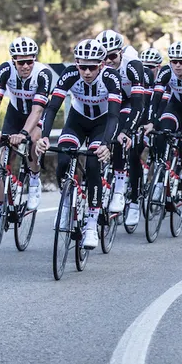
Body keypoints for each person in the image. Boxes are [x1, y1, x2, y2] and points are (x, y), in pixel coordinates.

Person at [40, 39, 121, 250]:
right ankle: (67, 203)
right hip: (77, 122)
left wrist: (106, 144)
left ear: (101, 65)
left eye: (92, 67)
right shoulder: (70, 74)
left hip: (102, 124)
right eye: (82, 66)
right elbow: (51, 108)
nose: (86, 72)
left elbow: (114, 115)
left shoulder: (111, 77)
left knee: (93, 164)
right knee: (64, 160)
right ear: (76, 63)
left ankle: (92, 224)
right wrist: (44, 136)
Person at [0, 36, 52, 233]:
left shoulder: (43, 74)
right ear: (13, 60)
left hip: (36, 114)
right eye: (20, 62)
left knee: (33, 142)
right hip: (15, 114)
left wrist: (24, 133)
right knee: (4, 159)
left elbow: (38, 110)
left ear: (34, 60)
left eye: (29, 61)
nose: (25, 66)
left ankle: (33, 179)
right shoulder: (5, 70)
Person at [141, 41, 182, 219]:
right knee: (162, 132)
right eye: (174, 61)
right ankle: (159, 179)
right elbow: (155, 99)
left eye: (181, 61)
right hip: (177, 107)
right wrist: (151, 122)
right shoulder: (165, 71)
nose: (177, 65)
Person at [97, 29, 144, 215]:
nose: (108, 60)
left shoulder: (132, 65)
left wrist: (128, 131)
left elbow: (138, 105)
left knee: (126, 146)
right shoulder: (97, 68)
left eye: (112, 56)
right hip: (113, 102)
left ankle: (132, 199)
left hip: (132, 102)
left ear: (121, 53)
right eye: (104, 57)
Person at [125, 46, 162, 228]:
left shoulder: (162, 80)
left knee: (160, 146)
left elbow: (159, 106)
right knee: (133, 152)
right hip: (140, 118)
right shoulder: (140, 76)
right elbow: (137, 104)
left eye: (152, 67)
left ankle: (160, 181)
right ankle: (135, 189)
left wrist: (153, 123)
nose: (148, 69)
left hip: (156, 118)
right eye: (145, 65)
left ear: (159, 68)